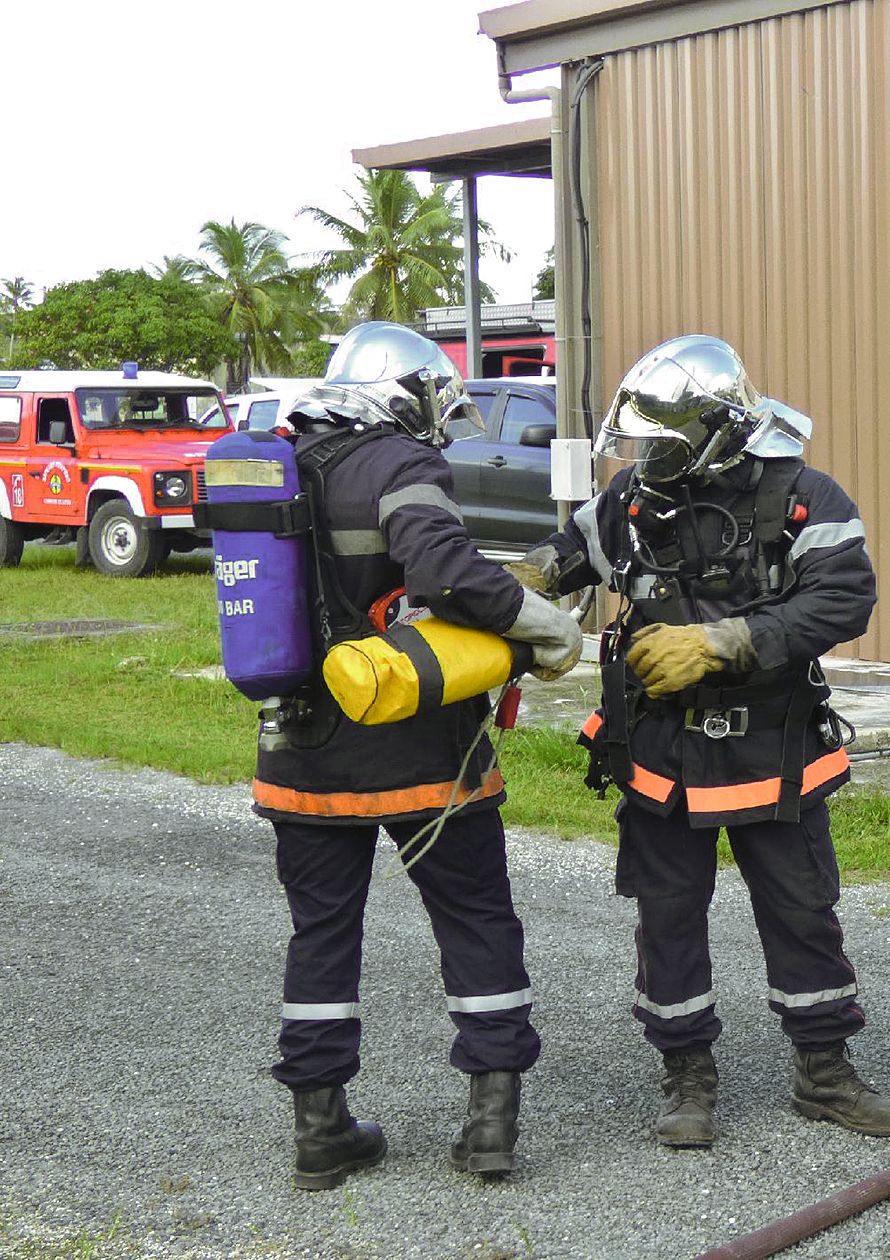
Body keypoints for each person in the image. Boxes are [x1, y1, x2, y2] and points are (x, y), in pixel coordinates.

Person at [512, 334, 890, 1149]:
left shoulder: (804, 497)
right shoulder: (628, 503)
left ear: (719, 429)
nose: (649, 459)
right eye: (642, 444)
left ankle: (823, 1069)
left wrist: (725, 642)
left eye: (667, 443)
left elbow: (845, 601)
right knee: (666, 915)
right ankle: (686, 1074)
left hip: (775, 751)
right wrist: (510, 598)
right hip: (658, 752)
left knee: (802, 911)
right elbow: (556, 562)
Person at [254, 322, 582, 1190]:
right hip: (420, 751)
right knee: (475, 919)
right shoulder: (400, 465)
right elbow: (442, 569)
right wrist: (542, 624)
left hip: (301, 747)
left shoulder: (282, 462)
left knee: (321, 934)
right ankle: (489, 1129)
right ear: (404, 394)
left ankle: (320, 1129)